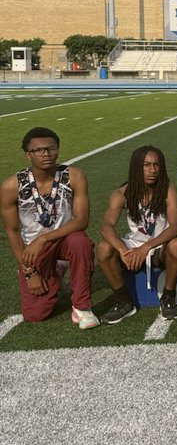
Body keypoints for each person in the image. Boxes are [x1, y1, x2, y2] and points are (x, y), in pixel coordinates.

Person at [1, 127, 98, 329]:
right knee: (35, 315)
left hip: (64, 240)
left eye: (51, 149)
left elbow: (81, 220)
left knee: (80, 242)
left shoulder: (74, 176)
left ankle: (82, 307)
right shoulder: (11, 186)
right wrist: (29, 272)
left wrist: (44, 238)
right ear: (28, 155)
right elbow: (12, 231)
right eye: (38, 150)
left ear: (58, 150)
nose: (45, 154)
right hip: (33, 251)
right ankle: (57, 272)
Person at [97, 146, 177, 323]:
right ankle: (124, 301)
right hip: (134, 245)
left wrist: (146, 247)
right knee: (103, 248)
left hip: (159, 246)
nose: (152, 170)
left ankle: (168, 297)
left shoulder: (168, 190)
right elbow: (106, 226)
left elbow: (176, 227)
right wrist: (122, 250)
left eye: (156, 165)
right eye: (146, 165)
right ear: (137, 167)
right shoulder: (122, 193)